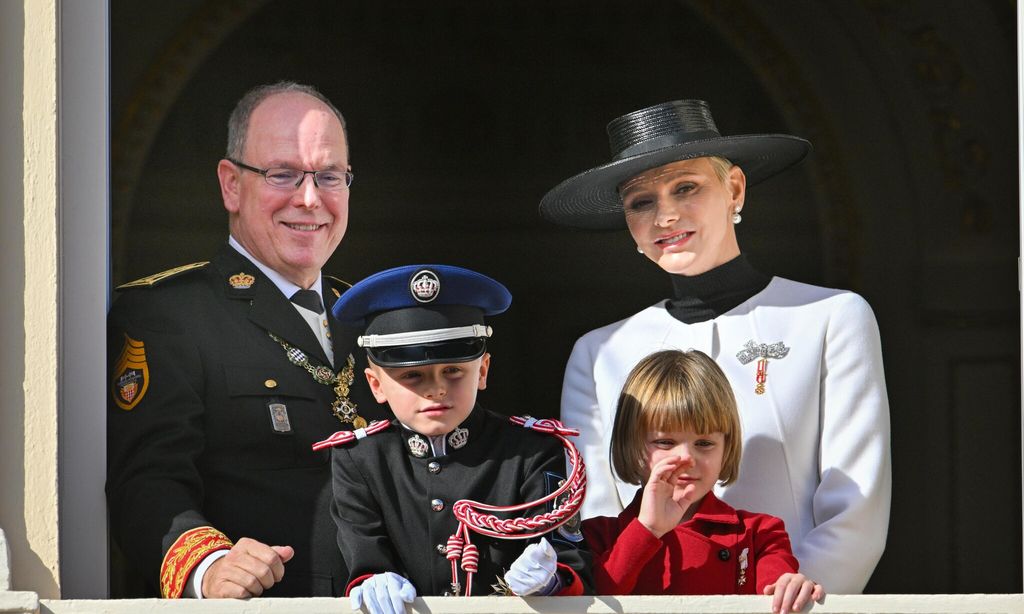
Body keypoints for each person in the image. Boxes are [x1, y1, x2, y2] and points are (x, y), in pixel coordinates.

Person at [540, 99, 891, 593]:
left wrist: (792, 604)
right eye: (641, 201)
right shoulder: (597, 352)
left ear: (734, 189)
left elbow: (856, 511)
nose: (665, 215)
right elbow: (599, 517)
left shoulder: (831, 318)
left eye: (686, 187)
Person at [106, 81, 387, 599]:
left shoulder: (378, 319)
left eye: (330, 176)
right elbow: (147, 482)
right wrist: (208, 567)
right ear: (231, 185)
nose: (310, 198)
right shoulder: (170, 313)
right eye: (282, 174)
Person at [320, 264, 591, 612]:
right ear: (376, 385)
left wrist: (552, 581)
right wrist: (373, 577)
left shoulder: (532, 451)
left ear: (482, 371)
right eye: (412, 375)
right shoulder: (359, 458)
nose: (436, 389)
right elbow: (363, 554)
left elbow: (571, 560)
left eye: (453, 371)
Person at [583, 349, 824, 614]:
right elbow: (594, 602)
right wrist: (647, 530)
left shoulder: (759, 534)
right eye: (665, 442)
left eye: (704, 443)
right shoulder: (598, 536)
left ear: (726, 447)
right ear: (631, 445)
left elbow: (775, 595)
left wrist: (791, 587)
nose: (686, 457)